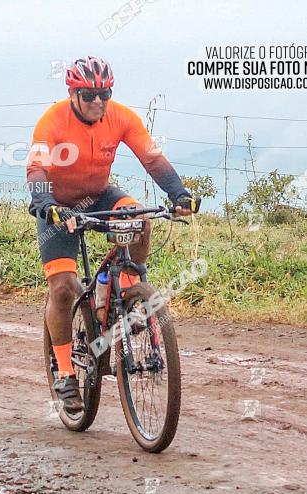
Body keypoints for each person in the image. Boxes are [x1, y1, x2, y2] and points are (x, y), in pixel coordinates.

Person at [27, 56, 199, 414]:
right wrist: (44, 200)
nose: (97, 102)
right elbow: (37, 165)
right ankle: (64, 371)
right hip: (60, 203)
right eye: (89, 94)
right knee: (62, 290)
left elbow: (152, 158)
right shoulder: (53, 120)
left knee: (140, 219)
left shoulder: (120, 116)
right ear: (73, 93)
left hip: (100, 194)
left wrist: (178, 194)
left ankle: (123, 290)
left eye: (104, 93)